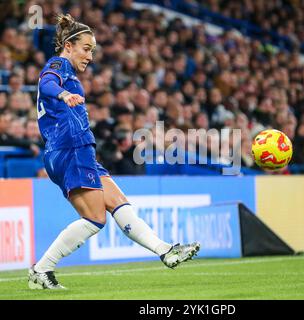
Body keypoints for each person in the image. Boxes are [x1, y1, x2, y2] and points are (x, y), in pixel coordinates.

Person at [28, 14, 200, 290]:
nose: (90, 56)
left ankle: (165, 250)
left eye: (93, 50)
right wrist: (62, 94)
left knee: (120, 203)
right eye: (86, 48)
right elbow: (46, 83)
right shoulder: (58, 64)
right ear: (68, 46)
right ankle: (42, 269)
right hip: (69, 148)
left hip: (78, 149)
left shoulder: (69, 72)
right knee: (95, 219)